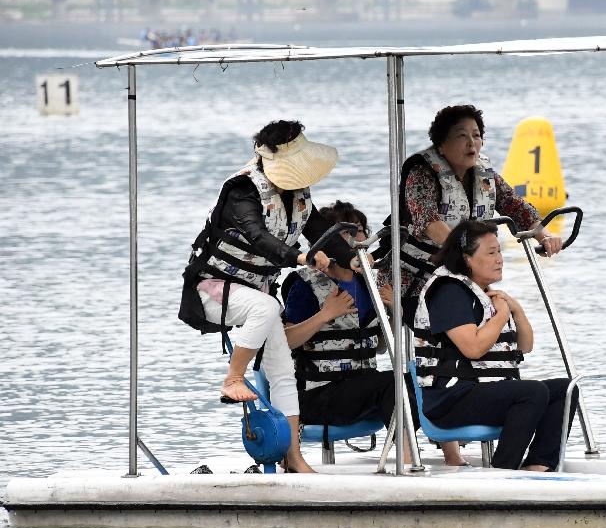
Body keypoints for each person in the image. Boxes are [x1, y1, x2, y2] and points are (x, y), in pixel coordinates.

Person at [178, 119, 352, 473]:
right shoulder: (242, 190)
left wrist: (352, 260)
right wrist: (301, 257)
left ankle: (294, 457)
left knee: (283, 370)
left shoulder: (300, 195)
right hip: (213, 290)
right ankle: (233, 378)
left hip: (257, 294)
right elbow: (259, 237)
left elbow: (320, 231)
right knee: (269, 305)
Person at [282, 201, 467, 466]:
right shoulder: (305, 286)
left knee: (422, 380)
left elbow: (380, 346)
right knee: (391, 385)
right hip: (318, 395)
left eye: (361, 231)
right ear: (329, 241)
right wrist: (325, 314)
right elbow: (285, 341)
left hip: (362, 387)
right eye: (350, 232)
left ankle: (452, 456)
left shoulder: (370, 283)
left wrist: (394, 311)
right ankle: (406, 461)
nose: (359, 239)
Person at [413, 220, 578, 471]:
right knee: (532, 392)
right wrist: (501, 315)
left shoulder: (485, 292)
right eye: (491, 253)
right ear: (467, 258)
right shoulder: (448, 291)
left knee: (566, 389)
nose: (500, 259)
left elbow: (525, 345)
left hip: (484, 392)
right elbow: (473, 348)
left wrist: (516, 310)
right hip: (449, 401)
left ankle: (538, 466)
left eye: (499, 251)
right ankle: (503, 471)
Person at [376, 104, 564, 324]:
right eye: (461, 135)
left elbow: (516, 207)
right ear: (442, 144)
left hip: (463, 273)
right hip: (414, 276)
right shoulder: (421, 173)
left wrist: (545, 236)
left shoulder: (485, 174)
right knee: (460, 322)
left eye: (476, 135)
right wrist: (465, 253)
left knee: (492, 317)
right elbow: (427, 220)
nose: (471, 142)